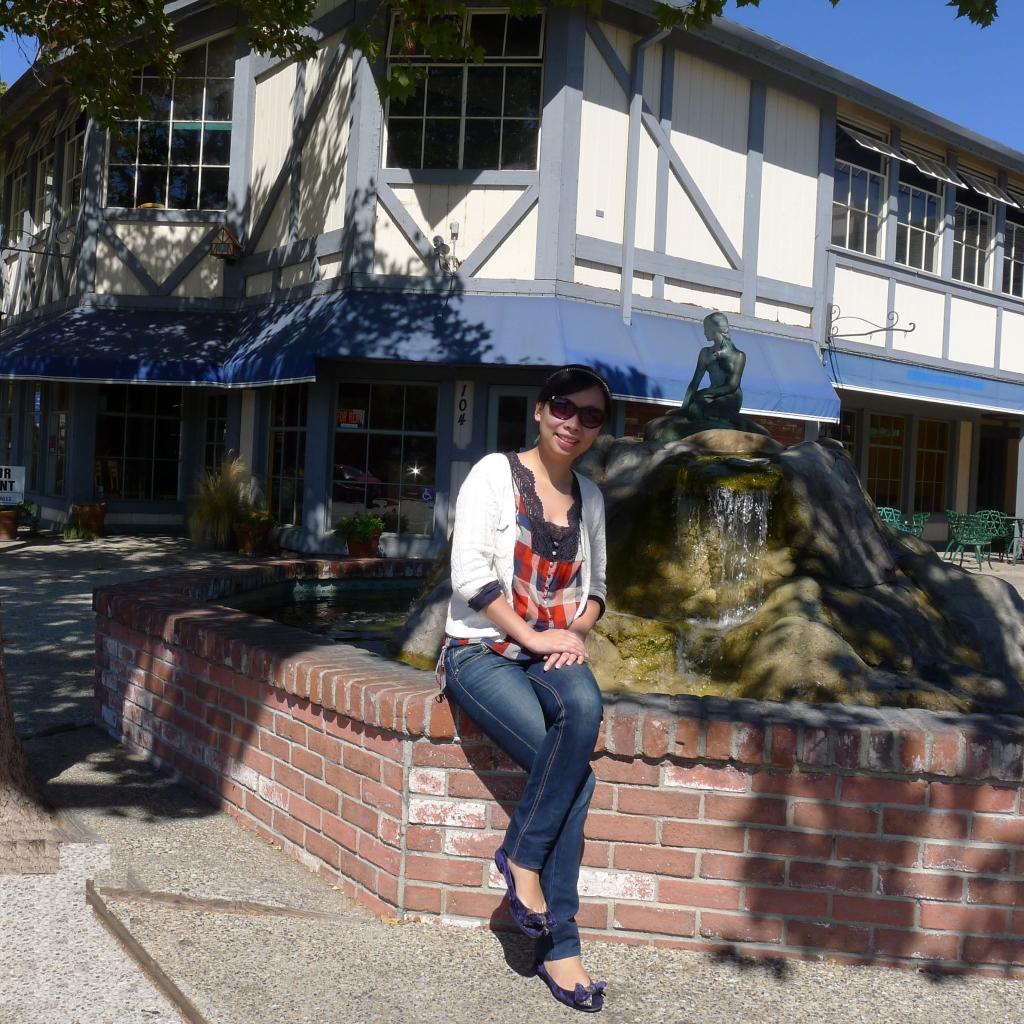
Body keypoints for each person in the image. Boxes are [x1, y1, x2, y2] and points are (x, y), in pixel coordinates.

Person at [440, 365, 611, 1013]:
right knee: (576, 779)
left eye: (591, 416)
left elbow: (597, 591)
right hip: (481, 650)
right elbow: (470, 577)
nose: (574, 424)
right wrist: (534, 638)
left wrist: (572, 633)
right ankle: (560, 945)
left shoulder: (590, 497)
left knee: (585, 703)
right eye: (564, 407)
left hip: (550, 649)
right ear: (540, 410)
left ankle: (520, 856)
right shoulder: (493, 473)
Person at [680, 310, 746, 425]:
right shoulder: (705, 353)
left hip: (730, 397)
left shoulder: (738, 355)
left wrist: (706, 392)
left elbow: (732, 385)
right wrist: (684, 407)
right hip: (711, 394)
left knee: (710, 411)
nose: (704, 332)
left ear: (716, 329)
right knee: (694, 409)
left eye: (706, 328)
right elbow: (695, 382)